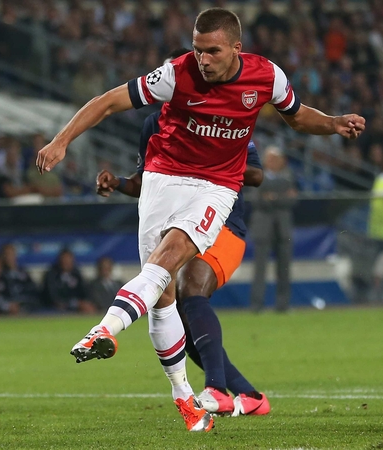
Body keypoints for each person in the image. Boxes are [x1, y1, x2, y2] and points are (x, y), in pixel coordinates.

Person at [35, 7, 365, 432]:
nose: (203, 59)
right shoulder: (176, 74)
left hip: (215, 188)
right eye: (197, 50)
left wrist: (333, 123)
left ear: (235, 49)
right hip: (162, 178)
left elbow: (298, 116)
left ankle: (105, 328)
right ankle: (186, 400)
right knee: (162, 294)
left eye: (212, 51)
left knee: (169, 261)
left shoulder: (267, 77)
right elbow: (109, 101)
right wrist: (62, 140)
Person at [96, 102, 269, 416]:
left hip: (223, 225)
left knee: (191, 289)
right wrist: (118, 183)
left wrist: (202, 163)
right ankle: (249, 395)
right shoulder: (153, 124)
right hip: (177, 231)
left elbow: (256, 175)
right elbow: (144, 180)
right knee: (179, 322)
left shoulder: (224, 121)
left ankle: (215, 388)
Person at [247, 146, 297, 313]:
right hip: (263, 228)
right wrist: (280, 198)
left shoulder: (288, 178)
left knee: (284, 269)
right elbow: (256, 201)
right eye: (271, 159)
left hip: (283, 228)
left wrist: (271, 198)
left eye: (277, 159)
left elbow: (292, 200)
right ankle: (256, 305)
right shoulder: (257, 177)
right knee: (260, 269)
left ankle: (283, 305)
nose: (274, 162)